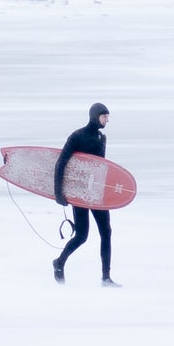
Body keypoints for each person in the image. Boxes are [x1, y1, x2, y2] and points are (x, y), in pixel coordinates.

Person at [52, 103, 118, 285]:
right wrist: (59, 193)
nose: (107, 120)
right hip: (80, 193)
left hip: (96, 193)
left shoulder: (101, 138)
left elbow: (101, 168)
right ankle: (59, 262)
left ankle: (106, 277)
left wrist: (107, 191)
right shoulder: (78, 136)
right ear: (95, 116)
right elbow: (61, 163)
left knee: (106, 232)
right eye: (104, 116)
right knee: (82, 236)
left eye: (107, 117)